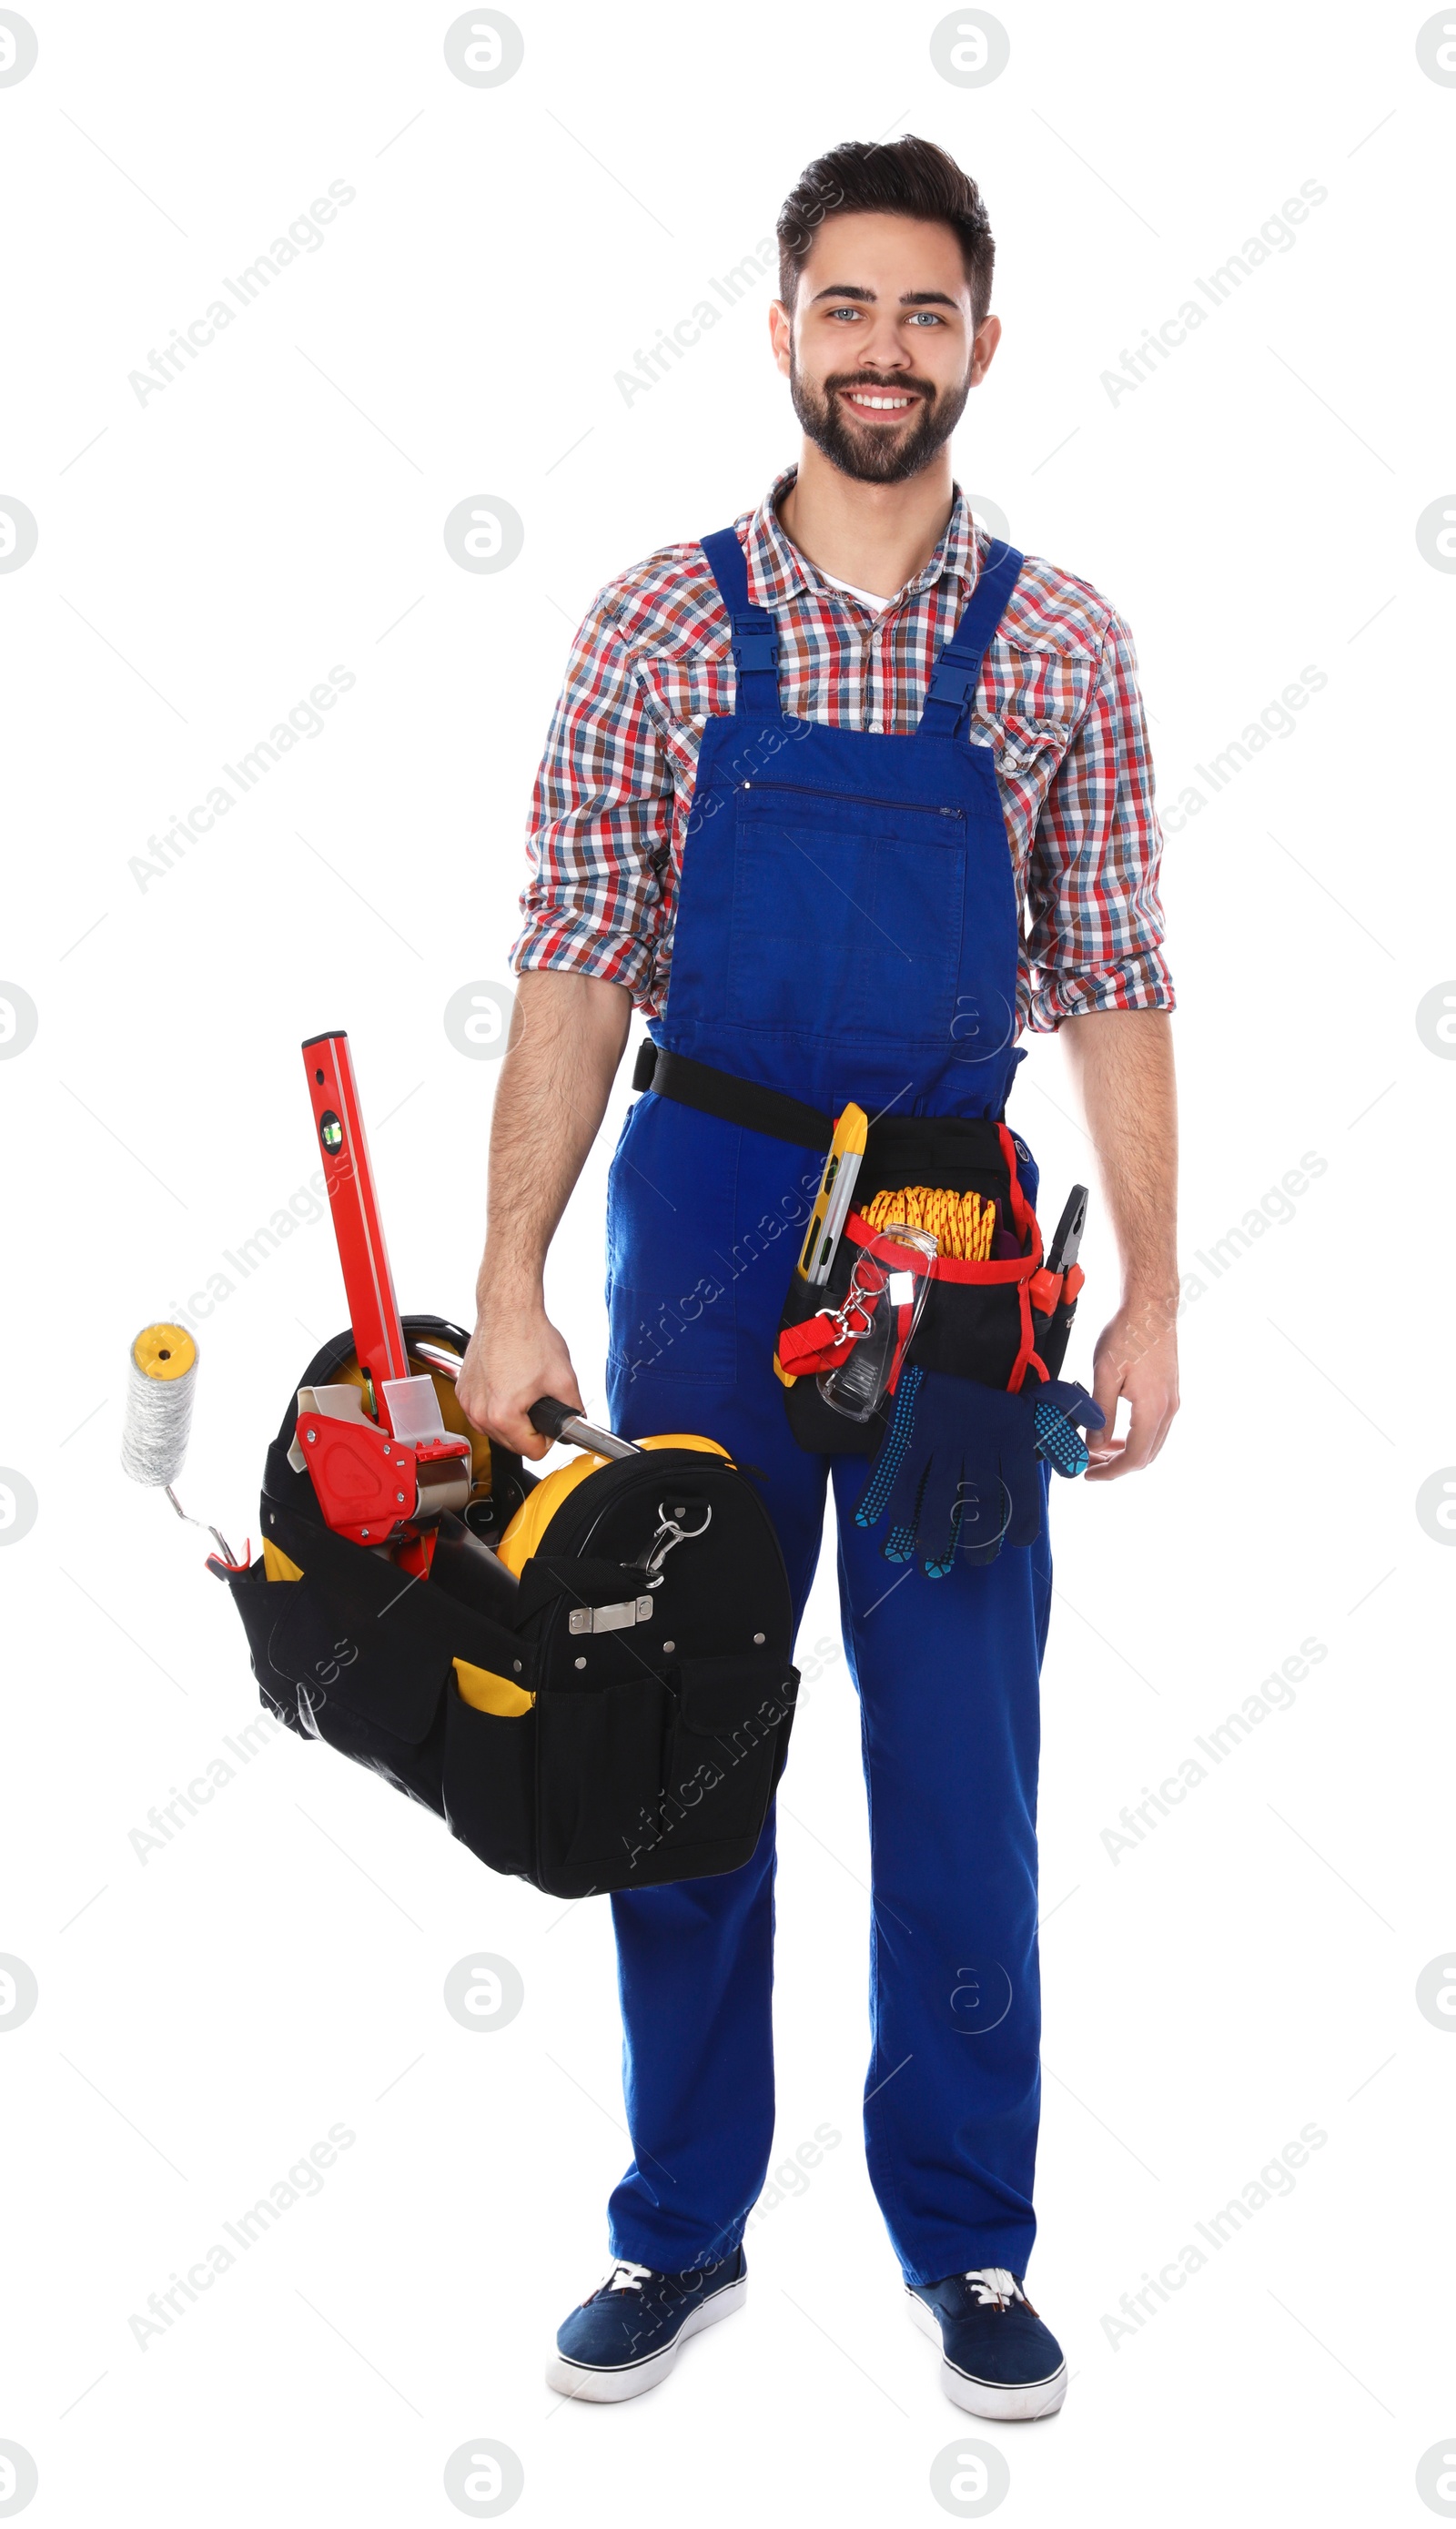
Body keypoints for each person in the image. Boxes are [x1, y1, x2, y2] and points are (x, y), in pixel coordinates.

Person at [455, 133, 1179, 2420]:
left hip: (957, 1260)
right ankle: (678, 2223)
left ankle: (966, 2244)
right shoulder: (653, 627)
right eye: (843, 307)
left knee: (957, 1744)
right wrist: (509, 1281)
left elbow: (1120, 980)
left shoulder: (1058, 642)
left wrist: (1153, 1285)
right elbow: (572, 965)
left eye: (923, 311)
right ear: (780, 328)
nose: (882, 350)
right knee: (677, 1720)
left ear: (981, 339)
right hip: (702, 1222)